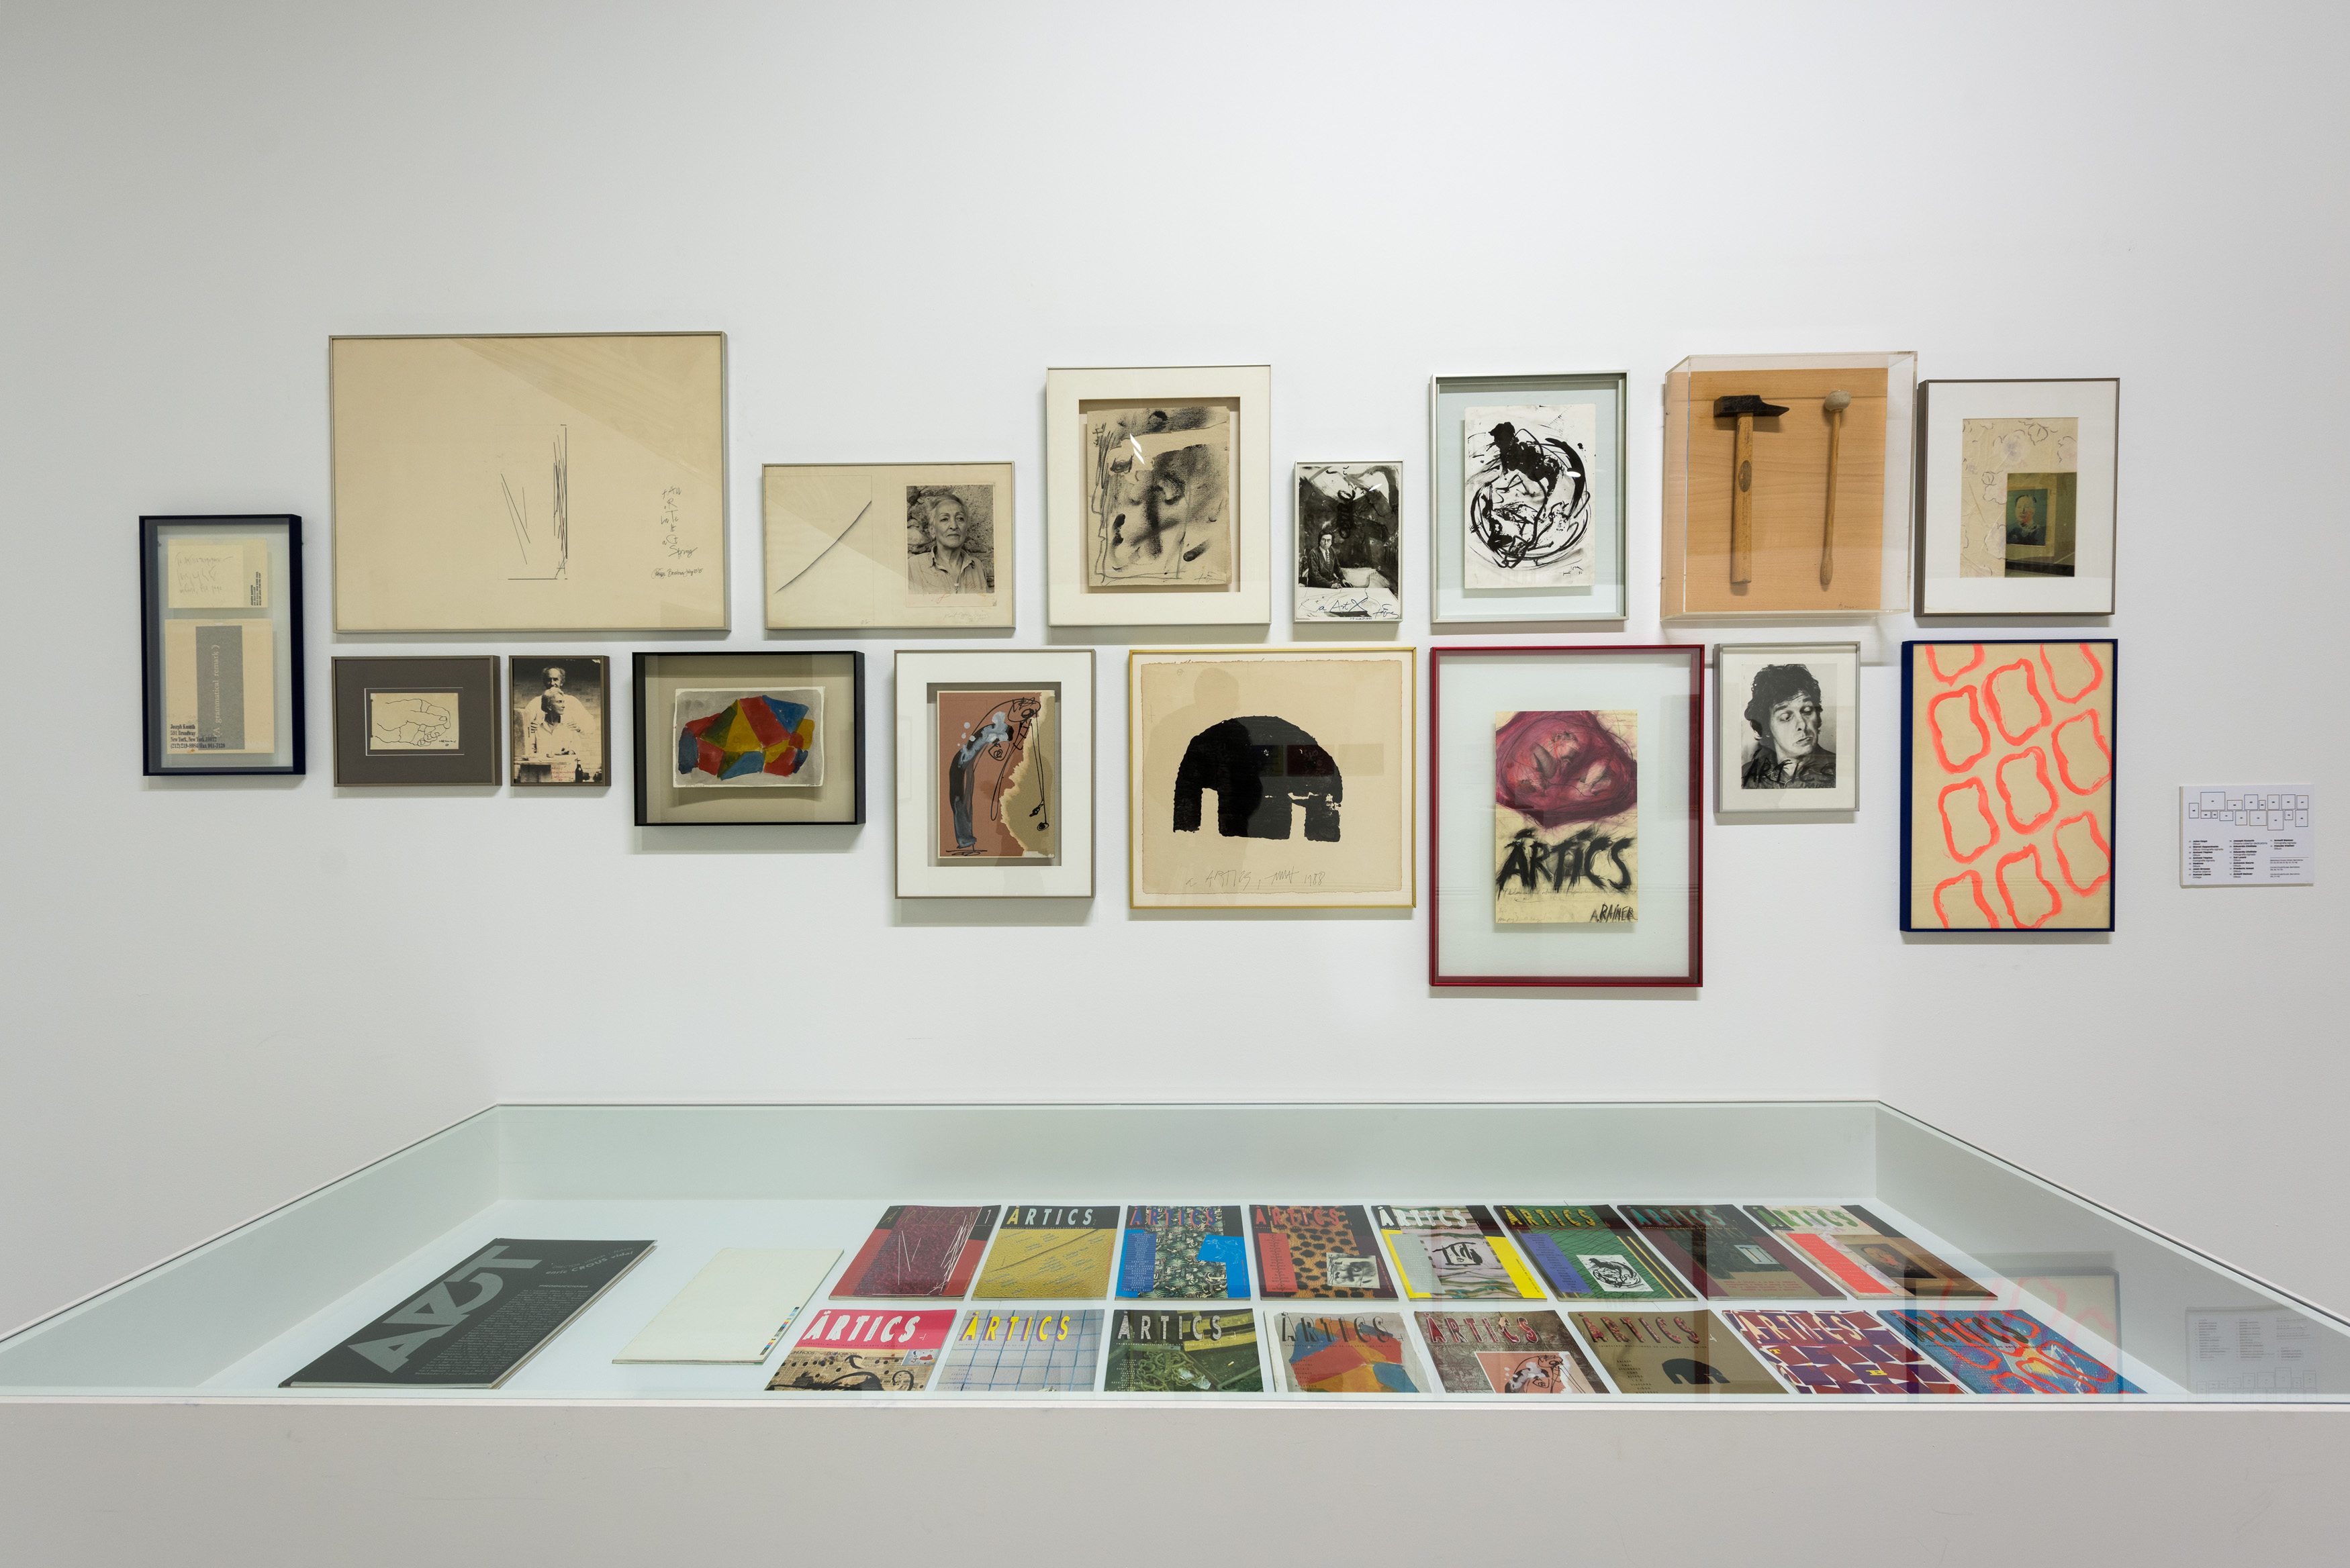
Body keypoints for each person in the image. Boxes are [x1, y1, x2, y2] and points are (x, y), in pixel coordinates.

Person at [1740, 664, 1835, 789]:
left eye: (1807, 711)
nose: (1802, 724)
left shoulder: (1841, 770)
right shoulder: (1745, 777)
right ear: (1766, 728)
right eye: (1786, 717)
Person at [515, 663, 600, 783]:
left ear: (562, 682)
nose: (552, 683)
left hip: (564, 767)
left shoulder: (572, 702)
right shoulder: (535, 703)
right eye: (549, 680)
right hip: (541, 766)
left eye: (556, 679)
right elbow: (520, 732)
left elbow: (591, 726)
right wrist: (528, 728)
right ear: (544, 682)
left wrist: (579, 727)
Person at [908, 492, 990, 595]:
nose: (954, 526)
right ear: (932, 530)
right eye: (945, 519)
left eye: (960, 518)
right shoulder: (914, 566)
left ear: (966, 529)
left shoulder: (977, 567)